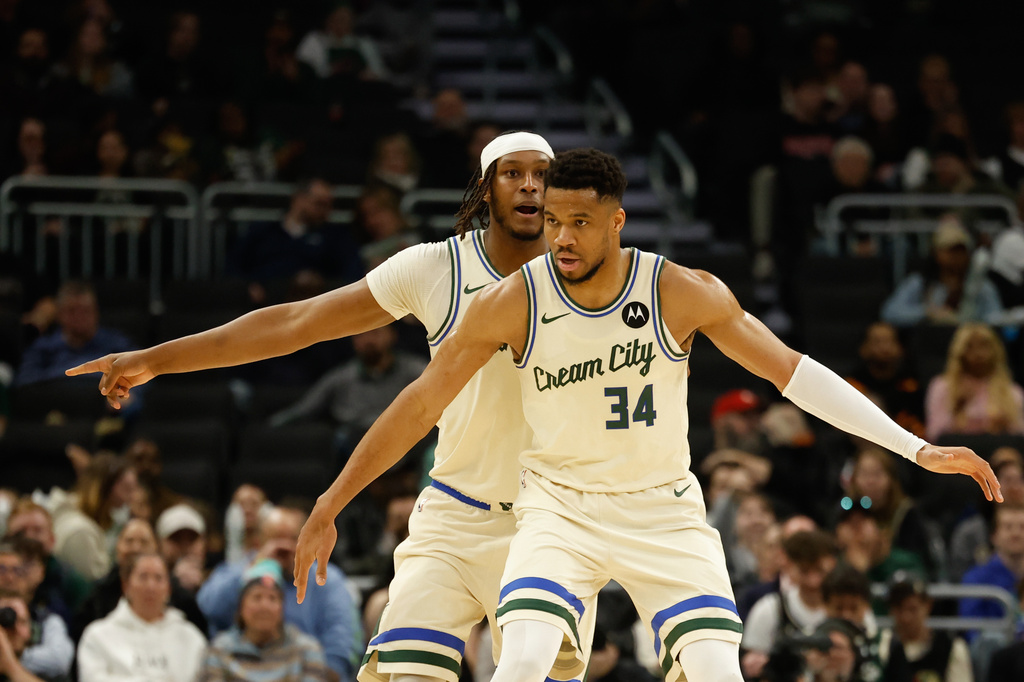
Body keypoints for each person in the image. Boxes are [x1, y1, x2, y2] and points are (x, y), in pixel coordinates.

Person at [290, 147, 1002, 682]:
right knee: (524, 659)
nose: (561, 237)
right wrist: (331, 499)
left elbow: (792, 372)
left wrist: (915, 448)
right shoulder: (513, 300)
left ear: (617, 221)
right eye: (554, 222)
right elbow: (419, 404)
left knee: (718, 669)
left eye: (580, 222)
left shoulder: (678, 291)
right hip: (557, 509)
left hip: (662, 511)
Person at [67, 130, 564, 682]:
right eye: (513, 173)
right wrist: (158, 360)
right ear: (485, 189)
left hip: (547, 522)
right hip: (453, 513)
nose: (530, 186)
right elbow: (295, 323)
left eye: (542, 174)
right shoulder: (435, 269)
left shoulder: (586, 277)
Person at [196, 506, 361, 681]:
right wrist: (257, 564)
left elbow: (344, 640)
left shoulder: (326, 578)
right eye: (275, 539)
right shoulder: (238, 570)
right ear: (258, 541)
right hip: (237, 664)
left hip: (305, 668)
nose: (284, 547)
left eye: (293, 539)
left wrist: (321, 674)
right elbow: (209, 607)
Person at [77, 553, 207, 682]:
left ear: (168, 588)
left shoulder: (191, 637)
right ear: (126, 586)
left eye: (158, 578)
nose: (151, 586)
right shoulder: (97, 636)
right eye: (143, 577)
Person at [227, 178, 364, 300]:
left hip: (314, 303)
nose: (326, 212)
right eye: (319, 204)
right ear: (298, 199)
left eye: (329, 205)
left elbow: (352, 273)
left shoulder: (335, 237)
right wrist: (248, 285)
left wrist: (321, 282)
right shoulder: (263, 231)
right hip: (265, 302)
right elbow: (233, 266)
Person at [73, 518, 207, 641]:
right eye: (129, 541)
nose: (136, 548)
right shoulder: (98, 593)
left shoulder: (180, 597)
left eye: (144, 542)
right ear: (118, 546)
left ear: (156, 548)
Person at [195, 559, 329, 682]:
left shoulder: (306, 650)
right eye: (257, 597)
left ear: (282, 608)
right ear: (241, 607)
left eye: (272, 598)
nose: (265, 607)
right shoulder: (219, 651)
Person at [742, 530, 837, 679]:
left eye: (820, 571)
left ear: (832, 565)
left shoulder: (843, 610)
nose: (813, 581)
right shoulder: (770, 608)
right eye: (805, 571)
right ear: (791, 566)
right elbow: (751, 667)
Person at [881, 217, 1004, 329]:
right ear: (937, 252)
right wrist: (928, 312)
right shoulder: (920, 283)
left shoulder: (980, 286)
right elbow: (889, 312)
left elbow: (996, 319)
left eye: (961, 250)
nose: (956, 256)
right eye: (950, 250)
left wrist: (966, 320)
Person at [15, 281, 134, 388]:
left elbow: (141, 377)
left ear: (96, 312)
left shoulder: (116, 344)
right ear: (59, 314)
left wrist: (129, 398)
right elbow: (24, 383)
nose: (79, 317)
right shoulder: (43, 347)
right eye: (72, 311)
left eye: (85, 311)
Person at [925, 322, 1024, 441]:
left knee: (1007, 456)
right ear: (959, 352)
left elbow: (1020, 436)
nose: (978, 353)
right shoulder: (942, 387)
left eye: (984, 346)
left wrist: (1005, 426)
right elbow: (934, 434)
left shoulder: (1012, 391)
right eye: (969, 346)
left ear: (995, 350)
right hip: (957, 450)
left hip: (997, 447)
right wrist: (957, 409)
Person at [879, 577, 973, 682]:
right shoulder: (881, 645)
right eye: (898, 608)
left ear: (928, 606)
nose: (906, 617)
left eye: (912, 609)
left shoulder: (952, 648)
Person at [846, 321, 925, 436]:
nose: (884, 348)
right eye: (877, 342)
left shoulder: (911, 385)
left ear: (900, 347)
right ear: (863, 348)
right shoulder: (852, 384)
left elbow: (920, 429)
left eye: (889, 341)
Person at [0, 592, 47, 682]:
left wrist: (10, 667)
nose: (15, 629)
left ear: (31, 631)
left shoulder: (44, 671)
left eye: (22, 622)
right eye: (5, 620)